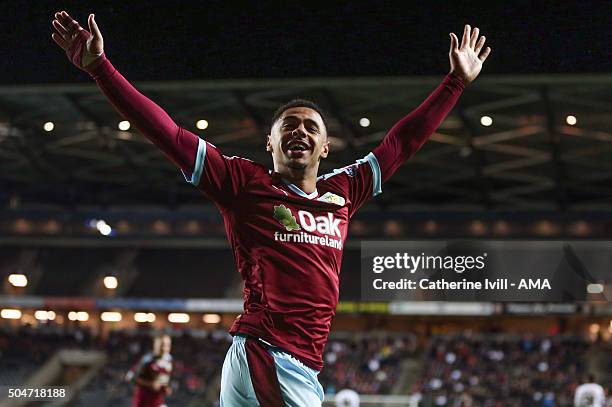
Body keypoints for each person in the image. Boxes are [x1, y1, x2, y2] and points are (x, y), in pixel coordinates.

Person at [51, 11, 490, 406]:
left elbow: (401, 144)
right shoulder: (244, 183)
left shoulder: (344, 191)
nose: (300, 131)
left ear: (324, 146)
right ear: (271, 142)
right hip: (270, 355)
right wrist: (101, 69)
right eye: (289, 125)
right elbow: (168, 133)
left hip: (292, 365)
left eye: (310, 127)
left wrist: (454, 83)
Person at [125, 334, 173, 407]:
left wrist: (166, 388)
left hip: (157, 403)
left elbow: (164, 381)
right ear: (156, 344)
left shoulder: (168, 360)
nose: (165, 348)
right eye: (162, 345)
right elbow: (131, 377)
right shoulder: (147, 360)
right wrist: (150, 384)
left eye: (168, 345)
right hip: (143, 403)